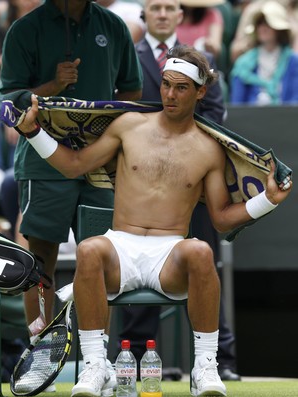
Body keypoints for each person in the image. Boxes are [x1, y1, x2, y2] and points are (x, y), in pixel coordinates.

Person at [17, 44, 291, 397]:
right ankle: (96, 366)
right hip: (121, 245)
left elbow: (222, 220)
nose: (169, 94)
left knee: (202, 252)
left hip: (169, 255)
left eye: (180, 87)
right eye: (165, 84)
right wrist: (32, 132)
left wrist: (268, 200)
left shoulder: (209, 149)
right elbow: (73, 164)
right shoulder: (129, 126)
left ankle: (205, 369)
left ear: (200, 92)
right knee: (88, 249)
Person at [0, 0, 142, 391]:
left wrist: (108, 130)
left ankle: (98, 361)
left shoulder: (112, 26)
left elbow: (131, 87)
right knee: (38, 258)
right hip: (44, 162)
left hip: (100, 162)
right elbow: (6, 101)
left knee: (102, 255)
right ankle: (40, 356)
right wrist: (52, 88)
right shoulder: (25, 30)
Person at [118, 0, 240, 381]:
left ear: (179, 15)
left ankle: (220, 362)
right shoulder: (129, 56)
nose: (162, 13)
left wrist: (185, 156)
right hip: (145, 185)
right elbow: (122, 110)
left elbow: (216, 116)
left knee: (208, 269)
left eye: (170, 7)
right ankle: (136, 360)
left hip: (196, 186)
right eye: (155, 7)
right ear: (145, 15)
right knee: (137, 267)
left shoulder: (202, 60)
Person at [230, 1, 298, 105]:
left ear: (279, 30)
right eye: (259, 23)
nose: (263, 28)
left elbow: (295, 100)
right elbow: (237, 105)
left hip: (286, 118)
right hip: (251, 119)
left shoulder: (292, 61)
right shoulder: (243, 63)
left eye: (268, 23)